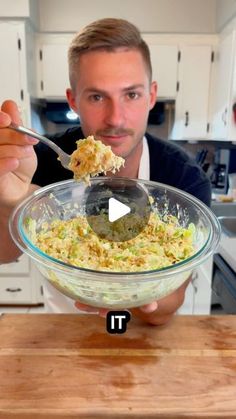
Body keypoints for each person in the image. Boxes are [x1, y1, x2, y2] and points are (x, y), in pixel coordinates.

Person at [0, 18, 211, 325]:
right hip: (64, 333)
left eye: (132, 94)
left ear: (152, 95)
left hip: (143, 339)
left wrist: (125, 289)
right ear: (74, 100)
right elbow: (5, 254)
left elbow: (167, 308)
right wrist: (11, 204)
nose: (115, 118)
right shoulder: (39, 162)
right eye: (97, 97)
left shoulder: (183, 177)